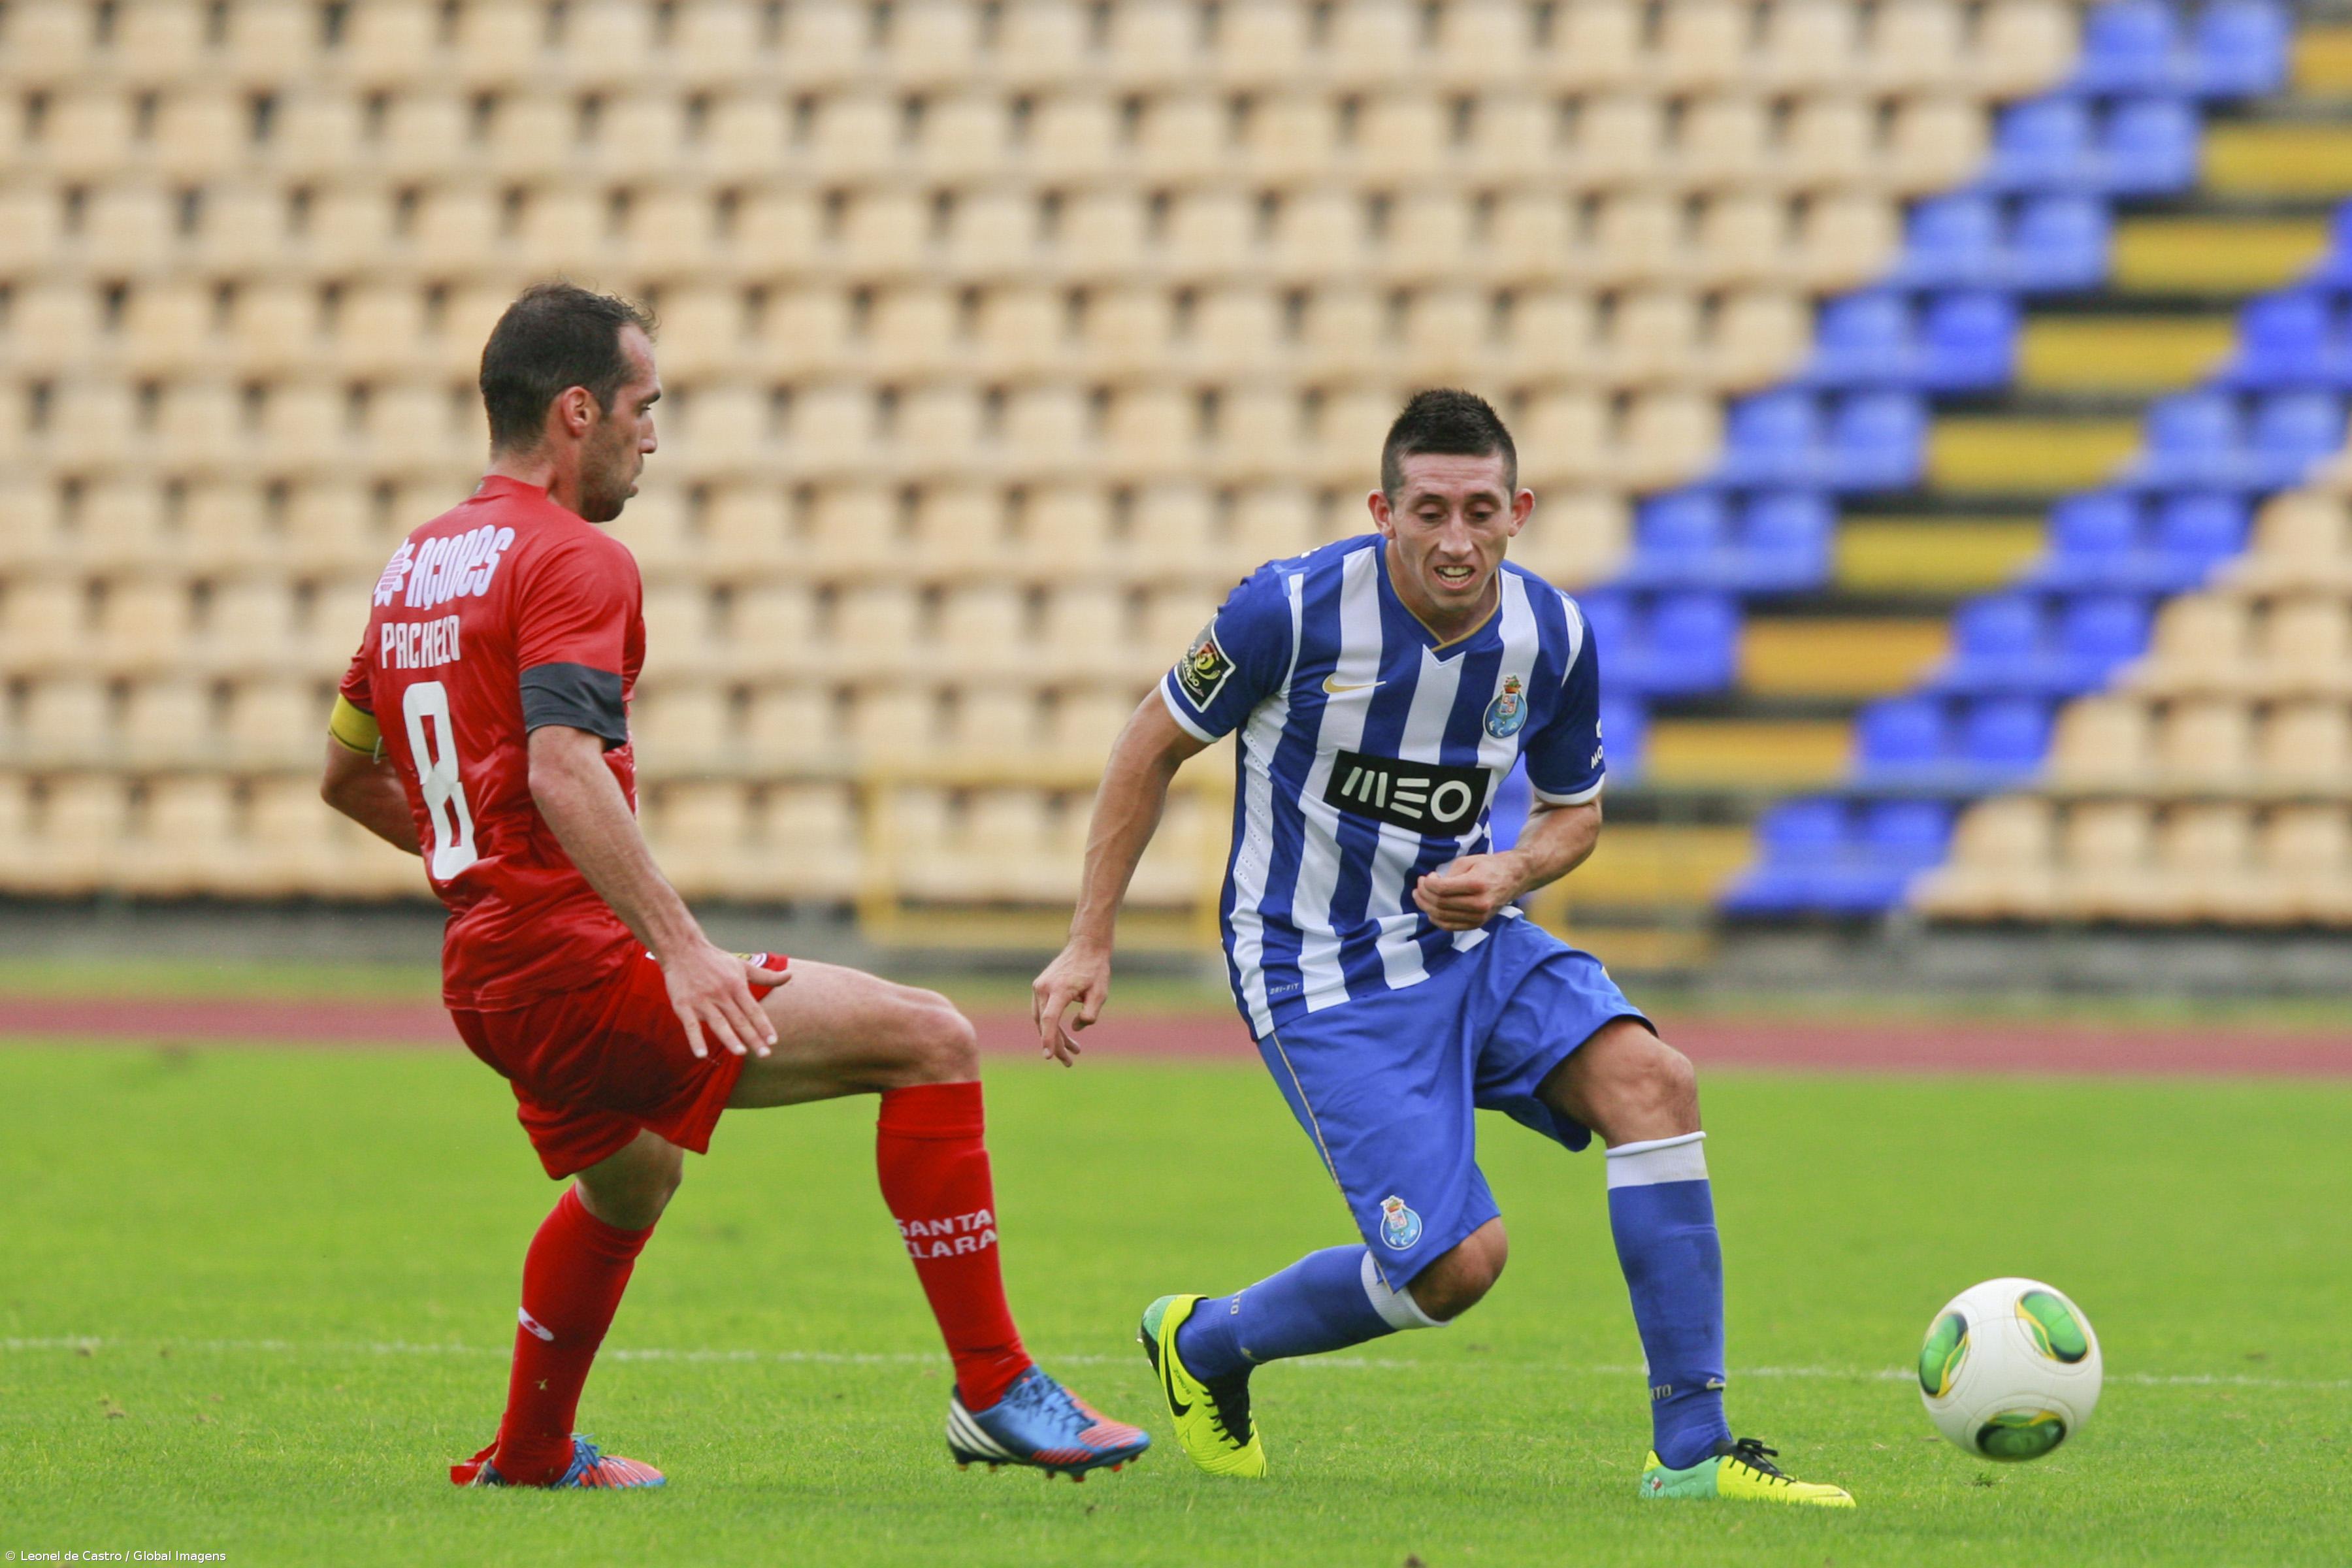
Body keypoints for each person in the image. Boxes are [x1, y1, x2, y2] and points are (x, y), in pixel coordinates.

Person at [321, 282, 1149, 1490]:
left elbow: (346, 777)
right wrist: (683, 947)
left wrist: (483, 871)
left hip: (488, 979)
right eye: (644, 409)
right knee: (930, 1039)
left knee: (634, 1177)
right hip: (574, 967)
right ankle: (995, 1387)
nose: (652, 436)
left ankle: (535, 1455)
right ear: (576, 412)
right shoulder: (575, 558)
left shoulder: (413, 574)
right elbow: (560, 766)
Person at [1030, 389, 1852, 1507]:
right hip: (1318, 970)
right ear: (1384, 511)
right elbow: (1148, 746)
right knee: (1459, 1271)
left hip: (1474, 945)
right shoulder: (1292, 609)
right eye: (1428, 510)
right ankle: (1208, 1344)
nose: (1454, 538)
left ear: (1518, 511)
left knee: (1655, 1083)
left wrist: (1508, 872)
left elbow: (1574, 810)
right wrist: (1089, 942)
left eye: (1478, 510)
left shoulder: (1551, 635)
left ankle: (1695, 1453)